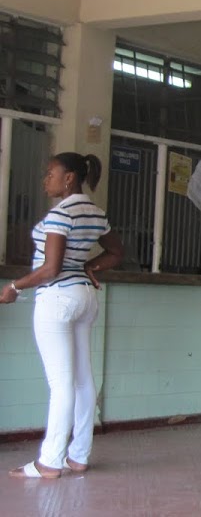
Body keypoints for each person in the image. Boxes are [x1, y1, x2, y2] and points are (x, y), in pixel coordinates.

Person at [2, 153, 124, 479]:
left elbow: (51, 268)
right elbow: (116, 252)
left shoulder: (60, 214)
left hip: (56, 300)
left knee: (61, 383)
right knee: (83, 378)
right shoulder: (94, 212)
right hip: (85, 297)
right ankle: (79, 455)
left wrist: (14, 286)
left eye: (50, 173)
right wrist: (88, 266)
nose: (46, 180)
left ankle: (50, 461)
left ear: (69, 177)